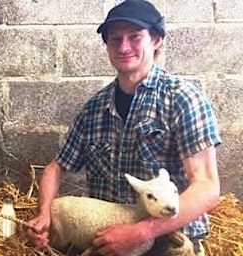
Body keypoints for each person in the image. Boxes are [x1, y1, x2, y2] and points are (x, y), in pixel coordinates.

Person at [26, 1, 221, 255]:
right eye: (115, 39)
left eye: (135, 37)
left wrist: (141, 232)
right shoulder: (94, 109)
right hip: (106, 235)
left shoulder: (182, 99)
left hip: (167, 237)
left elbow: (206, 187)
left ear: (156, 40)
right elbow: (56, 167)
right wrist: (44, 216)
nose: (124, 47)